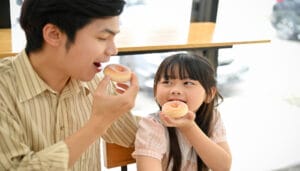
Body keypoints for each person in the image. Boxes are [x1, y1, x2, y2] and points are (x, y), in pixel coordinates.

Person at [0, 0, 140, 170]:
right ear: (54, 34)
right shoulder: (4, 91)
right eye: (103, 37)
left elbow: (135, 138)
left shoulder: (96, 83)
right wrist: (98, 123)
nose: (113, 50)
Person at [133, 53, 232, 171]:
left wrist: (189, 127)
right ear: (155, 90)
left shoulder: (212, 118)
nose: (175, 90)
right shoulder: (152, 125)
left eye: (188, 83)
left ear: (209, 94)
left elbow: (223, 166)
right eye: (167, 82)